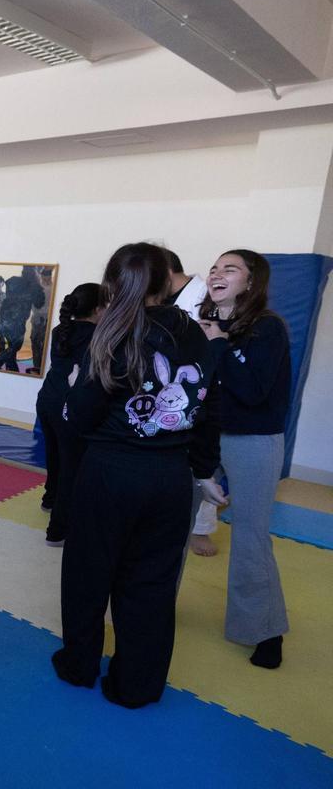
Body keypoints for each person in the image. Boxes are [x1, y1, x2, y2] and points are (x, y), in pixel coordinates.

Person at [53, 243, 225, 709]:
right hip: (170, 478)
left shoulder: (113, 333)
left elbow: (80, 416)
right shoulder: (197, 336)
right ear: (167, 282)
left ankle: (79, 664)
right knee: (151, 584)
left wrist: (72, 394)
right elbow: (209, 408)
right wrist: (204, 469)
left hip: (110, 474)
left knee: (88, 575)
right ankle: (137, 685)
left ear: (112, 285)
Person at [199, 249, 291, 669]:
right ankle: (152, 605)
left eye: (229, 269)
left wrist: (219, 344)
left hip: (253, 440)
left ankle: (264, 630)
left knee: (251, 536)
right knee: (168, 522)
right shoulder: (205, 323)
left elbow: (253, 392)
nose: (217, 273)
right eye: (214, 268)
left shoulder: (266, 328)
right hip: (203, 436)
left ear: (251, 282)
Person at [165, 248, 222, 557]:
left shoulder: (203, 296)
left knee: (202, 459)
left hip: (199, 383)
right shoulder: (164, 300)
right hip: (171, 387)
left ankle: (202, 529)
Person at [34, 282, 101, 545]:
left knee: (54, 456)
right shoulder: (98, 335)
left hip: (47, 400)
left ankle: (49, 499)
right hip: (69, 405)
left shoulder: (60, 329)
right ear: (98, 309)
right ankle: (58, 531)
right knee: (71, 466)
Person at [0, 265, 46, 372]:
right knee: (15, 346)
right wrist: (38, 285)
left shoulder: (12, 280)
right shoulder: (34, 286)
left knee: (12, 346)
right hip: (18, 321)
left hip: (5, 317)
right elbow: (39, 303)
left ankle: (12, 369)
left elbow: (8, 297)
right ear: (35, 272)